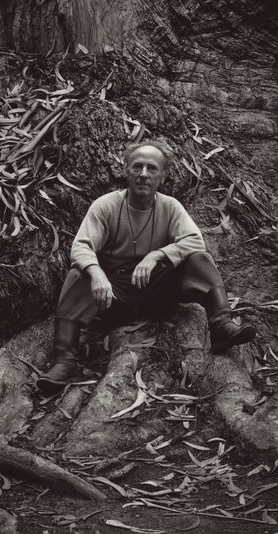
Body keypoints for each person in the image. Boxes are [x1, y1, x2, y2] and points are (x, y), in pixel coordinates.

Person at [37, 139, 256, 393]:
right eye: (137, 167)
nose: (143, 174)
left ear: (162, 176)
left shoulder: (170, 206)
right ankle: (65, 361)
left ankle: (221, 325)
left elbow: (195, 241)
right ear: (126, 170)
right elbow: (81, 246)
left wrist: (156, 256)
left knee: (199, 258)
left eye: (152, 168)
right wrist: (96, 274)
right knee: (78, 274)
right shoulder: (105, 205)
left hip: (155, 293)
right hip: (114, 297)